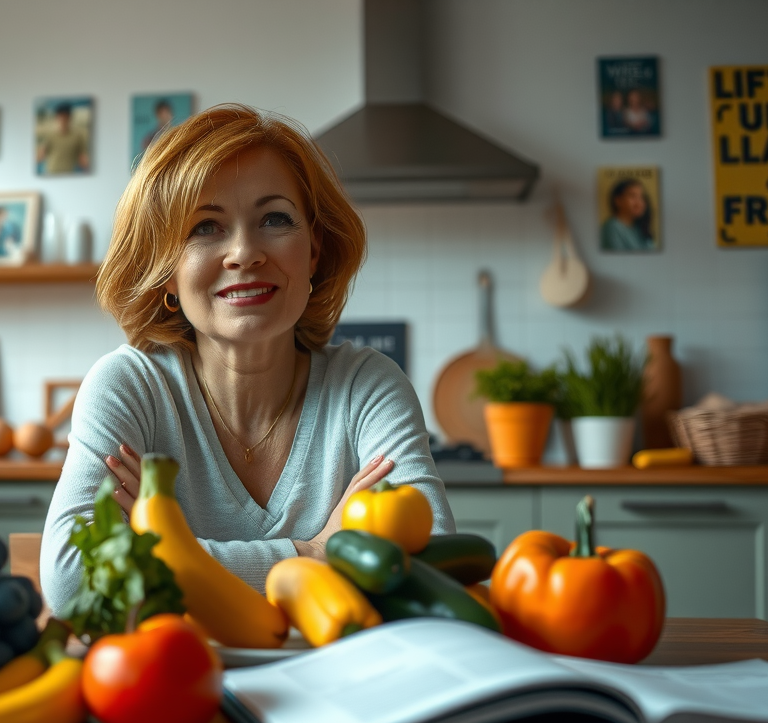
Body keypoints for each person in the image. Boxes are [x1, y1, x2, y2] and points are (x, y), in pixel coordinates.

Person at [40, 103, 455, 613]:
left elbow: (429, 558)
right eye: (204, 228)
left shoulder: (367, 387)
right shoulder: (129, 386)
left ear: (314, 250)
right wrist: (312, 555)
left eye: (274, 219)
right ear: (166, 269)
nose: (244, 253)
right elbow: (73, 581)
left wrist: (166, 557)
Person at [600, 178, 655, 251]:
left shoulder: (639, 227)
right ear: (618, 201)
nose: (639, 203)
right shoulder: (612, 228)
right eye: (632, 196)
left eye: (641, 197)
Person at [38, 103, 90, 174]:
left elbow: (82, 158)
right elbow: (40, 157)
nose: (63, 119)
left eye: (66, 117)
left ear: (70, 117)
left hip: (69, 175)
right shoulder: (49, 136)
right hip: (51, 174)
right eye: (60, 116)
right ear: (56, 117)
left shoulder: (78, 136)